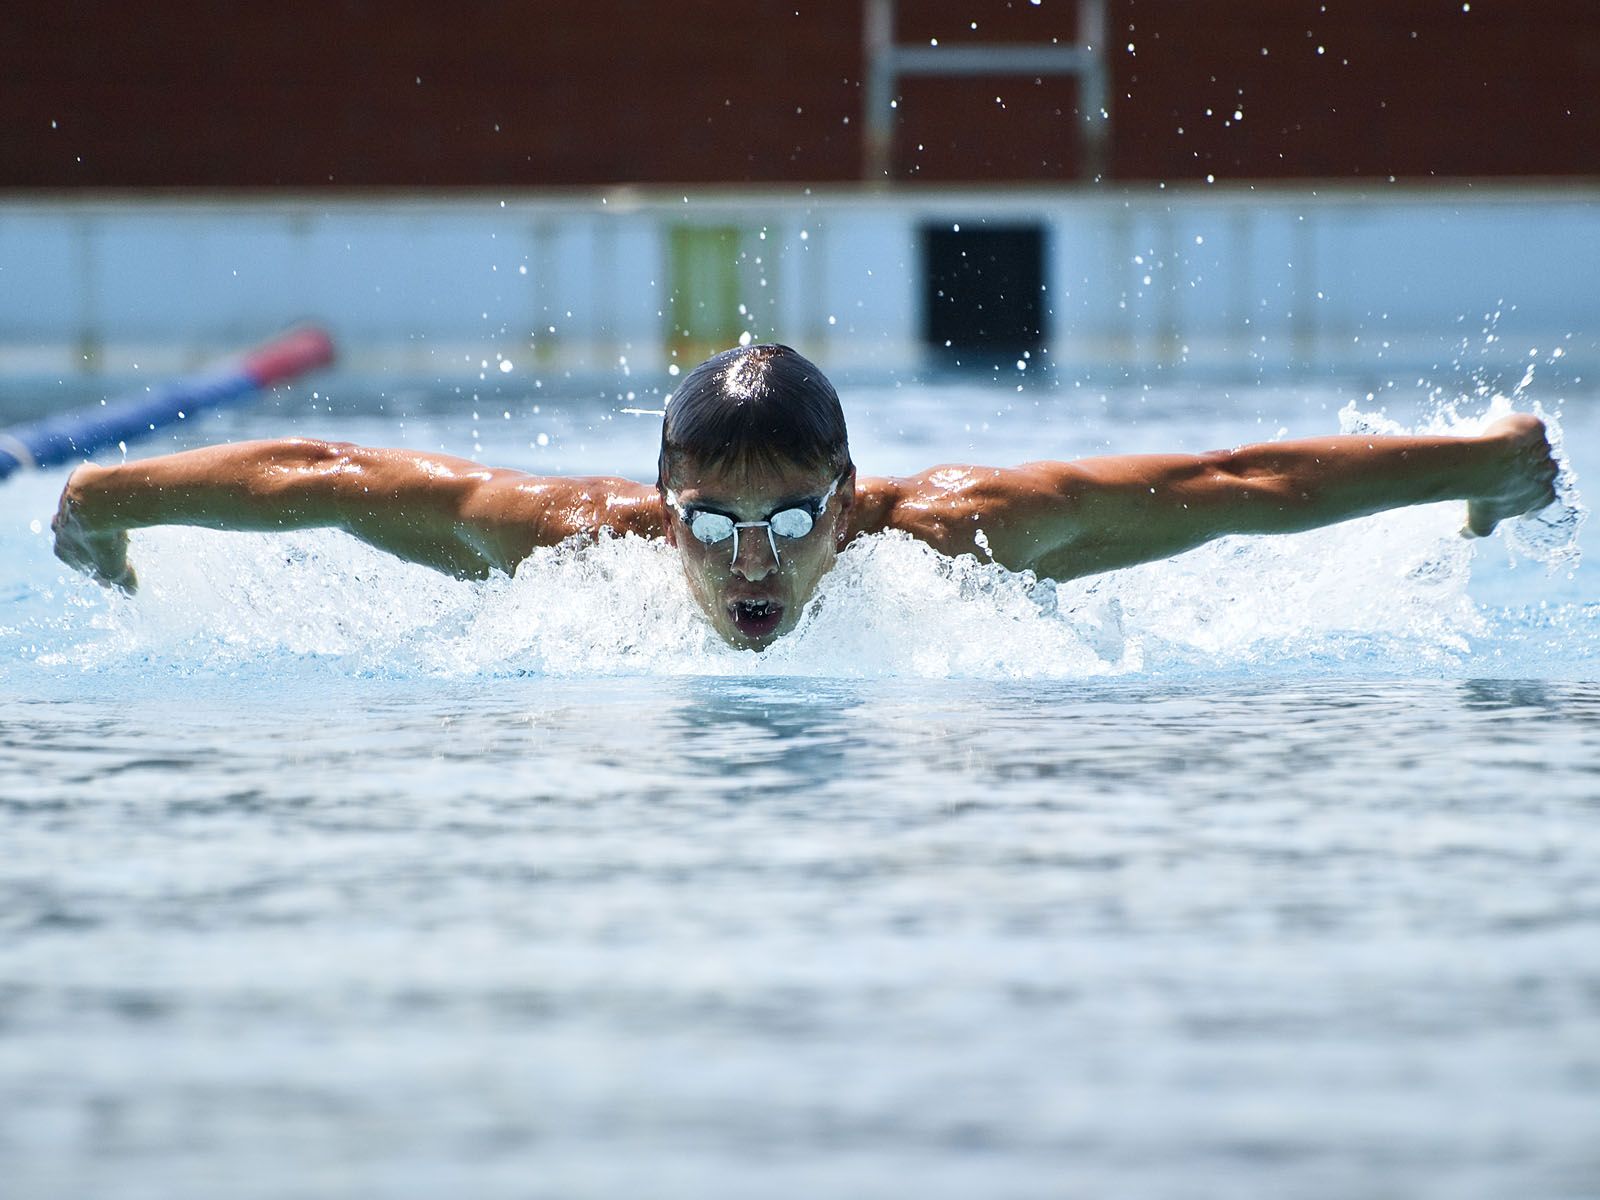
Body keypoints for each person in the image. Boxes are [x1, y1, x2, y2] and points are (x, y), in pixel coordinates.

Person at [52, 343, 1560, 650]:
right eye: (713, 527)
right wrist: (118, 496)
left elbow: (1235, 481)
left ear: (851, 502)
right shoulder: (580, 551)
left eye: (789, 525)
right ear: (664, 505)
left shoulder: (960, 535)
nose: (750, 567)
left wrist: (1482, 465)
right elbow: (330, 477)